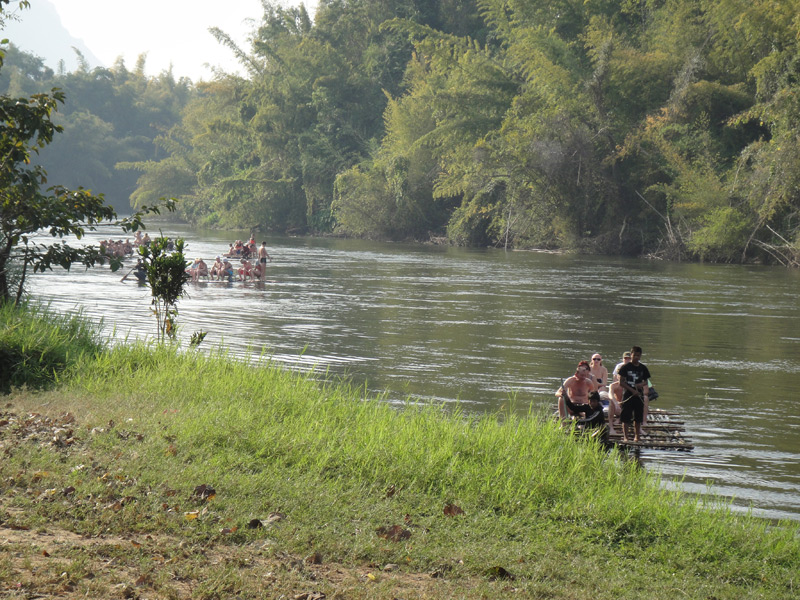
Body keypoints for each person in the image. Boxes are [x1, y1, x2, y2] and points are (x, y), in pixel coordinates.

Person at [617, 346, 651, 442]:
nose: (636, 357)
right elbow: (621, 382)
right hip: (628, 394)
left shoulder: (643, 368)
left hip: (638, 395)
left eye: (638, 355)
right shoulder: (625, 367)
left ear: (640, 356)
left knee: (638, 417)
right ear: (631, 355)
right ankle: (626, 437)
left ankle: (637, 436)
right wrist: (632, 390)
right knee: (625, 416)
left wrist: (641, 385)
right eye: (634, 355)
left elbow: (646, 381)